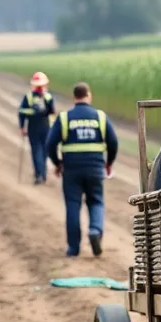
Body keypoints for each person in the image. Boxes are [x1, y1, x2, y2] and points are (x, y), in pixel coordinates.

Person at [46, 81, 118, 257]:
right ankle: (95, 230)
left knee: (72, 205)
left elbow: (50, 144)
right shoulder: (100, 117)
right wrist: (108, 163)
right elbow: (113, 142)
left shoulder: (64, 118)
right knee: (96, 201)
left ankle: (73, 248)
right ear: (89, 96)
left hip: (71, 170)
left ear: (74, 98)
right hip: (95, 168)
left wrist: (58, 163)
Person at [18, 71, 56, 184]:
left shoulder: (29, 97)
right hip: (46, 127)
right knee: (44, 152)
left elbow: (22, 112)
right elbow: (52, 112)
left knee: (36, 151)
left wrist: (22, 126)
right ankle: (42, 174)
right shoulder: (48, 96)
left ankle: (39, 174)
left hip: (34, 127)